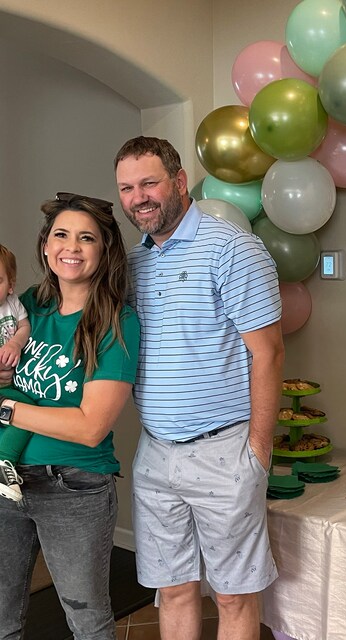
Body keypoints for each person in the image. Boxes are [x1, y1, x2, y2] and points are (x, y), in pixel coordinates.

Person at [114, 136, 284, 640]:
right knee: (173, 589)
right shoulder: (133, 263)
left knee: (232, 594)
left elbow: (269, 353)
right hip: (155, 455)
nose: (138, 197)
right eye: (127, 188)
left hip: (225, 450)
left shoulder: (232, 248)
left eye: (149, 183)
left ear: (179, 181)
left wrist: (258, 449)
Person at [0, 193, 140, 640]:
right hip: (6, 480)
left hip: (73, 488)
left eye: (86, 238)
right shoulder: (26, 307)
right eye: (61, 234)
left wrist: (6, 409)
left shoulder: (117, 321)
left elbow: (89, 426)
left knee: (87, 618)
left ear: (103, 251)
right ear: (45, 245)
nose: (71, 247)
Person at [0, 244, 32, 501]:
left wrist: (15, 343)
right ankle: (4, 460)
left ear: (10, 285)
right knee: (28, 413)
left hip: (7, 386)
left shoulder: (13, 304)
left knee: (26, 413)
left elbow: (24, 326)